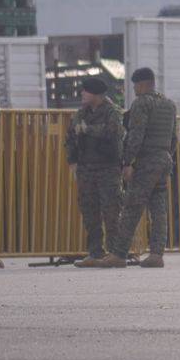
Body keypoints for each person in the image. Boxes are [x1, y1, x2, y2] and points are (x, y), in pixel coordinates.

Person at [98, 68, 178, 268]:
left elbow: (136, 135)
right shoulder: (169, 104)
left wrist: (128, 162)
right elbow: (173, 137)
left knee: (132, 207)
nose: (133, 89)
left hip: (146, 161)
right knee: (158, 209)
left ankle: (118, 253)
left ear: (143, 84)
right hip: (164, 159)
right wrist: (167, 157)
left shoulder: (142, 103)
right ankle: (157, 254)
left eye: (135, 85)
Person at [64, 77, 125, 268]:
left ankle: (115, 253)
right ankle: (95, 252)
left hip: (107, 168)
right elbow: (70, 136)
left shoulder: (112, 111)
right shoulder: (81, 113)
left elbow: (115, 132)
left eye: (85, 91)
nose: (82, 94)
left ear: (96, 94)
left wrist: (89, 129)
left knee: (111, 211)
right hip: (86, 168)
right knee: (89, 211)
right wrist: (72, 160)